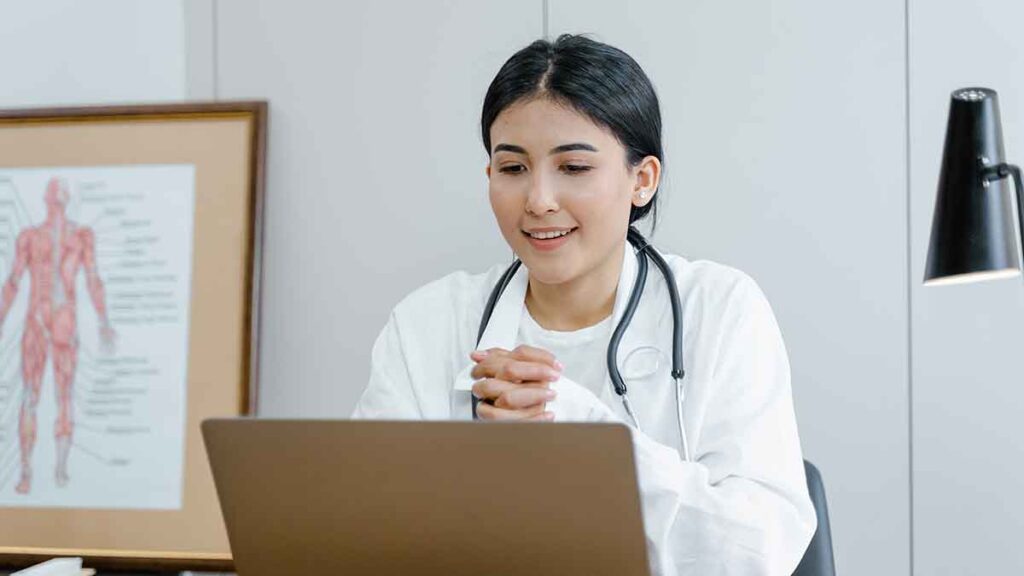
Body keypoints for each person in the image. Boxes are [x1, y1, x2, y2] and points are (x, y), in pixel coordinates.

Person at [352, 34, 816, 575]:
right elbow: (370, 536)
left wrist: (587, 442)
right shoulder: (426, 325)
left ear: (642, 180)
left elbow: (759, 550)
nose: (539, 200)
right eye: (512, 168)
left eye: (573, 168)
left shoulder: (720, 309)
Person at [0, 177, 116, 494]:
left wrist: (104, 319)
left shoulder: (80, 237)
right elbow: (12, 282)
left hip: (60, 318)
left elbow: (93, 278)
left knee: (58, 397)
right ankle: (31, 472)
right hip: (40, 319)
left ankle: (57, 470)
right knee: (33, 396)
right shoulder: (31, 237)